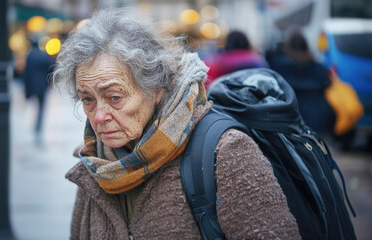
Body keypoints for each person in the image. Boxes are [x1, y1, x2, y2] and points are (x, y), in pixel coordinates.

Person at [53, 8, 300, 239]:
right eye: (88, 99)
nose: (98, 116)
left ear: (157, 88)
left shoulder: (225, 154)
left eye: (115, 97)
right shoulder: (94, 166)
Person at [267, 27, 336, 136]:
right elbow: (328, 83)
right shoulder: (318, 67)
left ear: (287, 47)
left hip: (293, 118)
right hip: (319, 117)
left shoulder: (281, 68)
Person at [204, 30, 268, 89]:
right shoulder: (258, 60)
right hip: (254, 97)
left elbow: (210, 85)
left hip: (226, 98)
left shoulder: (219, 61)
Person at [22, 36, 54, 146]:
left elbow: (26, 73)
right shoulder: (44, 55)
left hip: (32, 85)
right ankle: (38, 127)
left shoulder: (30, 56)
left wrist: (25, 88)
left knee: (31, 106)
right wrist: (50, 84)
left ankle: (31, 126)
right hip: (42, 86)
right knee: (41, 107)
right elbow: (50, 70)